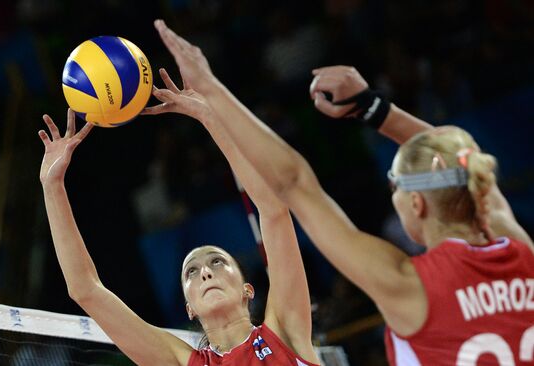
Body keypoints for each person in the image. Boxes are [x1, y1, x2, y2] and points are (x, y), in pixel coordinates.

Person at [151, 19, 534, 365]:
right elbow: (459, 161)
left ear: (415, 203)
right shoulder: (520, 251)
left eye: (393, 186)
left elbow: (295, 182)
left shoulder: (404, 282)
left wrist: (211, 90)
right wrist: (373, 109)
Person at [38, 91, 321, 364]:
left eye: (218, 262)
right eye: (192, 272)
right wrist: (52, 186)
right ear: (190, 309)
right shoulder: (180, 362)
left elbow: (273, 210)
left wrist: (210, 118)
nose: (206, 272)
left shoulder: (284, 329)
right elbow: (84, 289)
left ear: (247, 289)